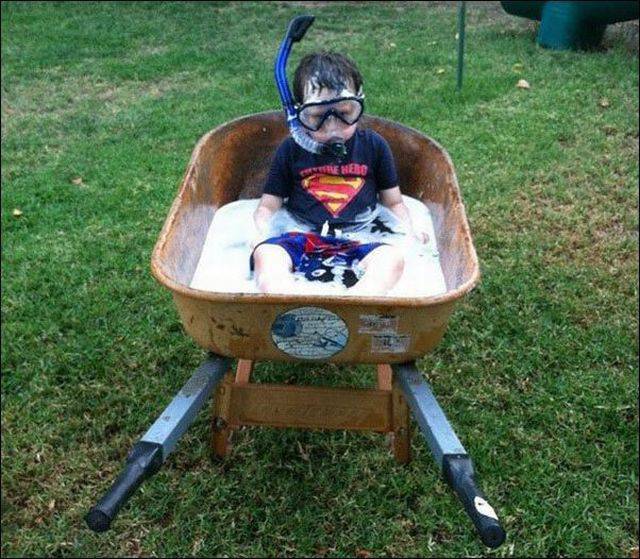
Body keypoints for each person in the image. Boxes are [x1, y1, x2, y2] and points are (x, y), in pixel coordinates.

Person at [250, 51, 428, 296]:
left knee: (391, 260)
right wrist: (260, 234)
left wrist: (410, 231)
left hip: (362, 239)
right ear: (299, 115)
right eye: (317, 117)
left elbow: (394, 202)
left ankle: (357, 302)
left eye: (344, 114)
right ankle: (290, 301)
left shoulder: (374, 146)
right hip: (301, 236)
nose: (332, 127)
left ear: (358, 106)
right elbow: (268, 206)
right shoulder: (291, 149)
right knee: (267, 256)